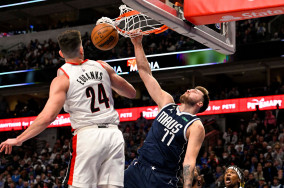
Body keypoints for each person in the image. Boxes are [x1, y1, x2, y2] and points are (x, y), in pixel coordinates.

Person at [0, 30, 136, 188]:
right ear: (81, 49)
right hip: (114, 136)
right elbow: (131, 93)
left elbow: (48, 116)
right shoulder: (102, 66)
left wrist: (18, 139)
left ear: (60, 53)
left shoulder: (62, 78)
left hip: (88, 135)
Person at [124, 35, 210, 188]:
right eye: (191, 88)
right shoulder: (167, 102)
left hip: (161, 177)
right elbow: (145, 73)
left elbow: (189, 161)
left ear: (200, 103)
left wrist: (187, 186)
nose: (190, 89)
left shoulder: (195, 126)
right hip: (138, 166)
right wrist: (137, 44)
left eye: (195, 91)